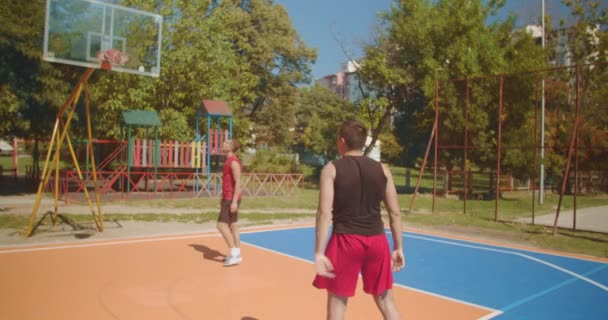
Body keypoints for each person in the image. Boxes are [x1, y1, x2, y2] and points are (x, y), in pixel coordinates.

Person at [313, 120, 405, 320]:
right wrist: (398, 247)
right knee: (386, 300)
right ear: (362, 143)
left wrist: (319, 252)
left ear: (342, 141)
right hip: (377, 241)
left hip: (345, 241)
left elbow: (324, 213)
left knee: (337, 304)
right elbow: (395, 213)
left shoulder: (331, 169)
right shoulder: (383, 169)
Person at [217, 139, 243, 266]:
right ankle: (237, 254)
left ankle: (233, 253)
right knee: (233, 225)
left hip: (231, 198)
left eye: (226, 143)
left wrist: (233, 202)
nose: (224, 144)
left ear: (231, 147)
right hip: (227, 197)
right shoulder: (228, 161)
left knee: (221, 225)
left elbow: (238, 182)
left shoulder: (233, 162)